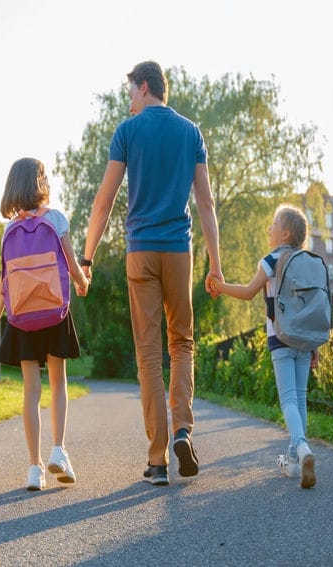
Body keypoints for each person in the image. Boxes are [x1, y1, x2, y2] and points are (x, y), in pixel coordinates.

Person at [81, 61, 223, 486]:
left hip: (140, 252)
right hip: (179, 251)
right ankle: (183, 430)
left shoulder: (128, 132)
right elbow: (206, 203)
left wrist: (86, 259)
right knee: (182, 343)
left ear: (145, 87)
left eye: (130, 92)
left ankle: (157, 460)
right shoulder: (191, 132)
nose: (128, 102)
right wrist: (215, 265)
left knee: (148, 353)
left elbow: (103, 201)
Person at [0, 157, 90, 491]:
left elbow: (4, 284)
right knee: (58, 382)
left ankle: (34, 468)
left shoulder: (8, 230)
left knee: (31, 391)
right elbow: (72, 267)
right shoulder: (56, 219)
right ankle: (58, 449)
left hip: (23, 316)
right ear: (40, 183)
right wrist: (83, 282)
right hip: (53, 311)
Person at [207, 205, 317, 488]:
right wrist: (314, 344)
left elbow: (247, 292)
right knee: (301, 399)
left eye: (273, 223)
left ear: (285, 232)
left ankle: (303, 448)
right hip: (305, 339)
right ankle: (294, 461)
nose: (269, 228)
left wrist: (220, 286)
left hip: (280, 338)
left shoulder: (270, 260)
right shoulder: (306, 260)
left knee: (288, 399)